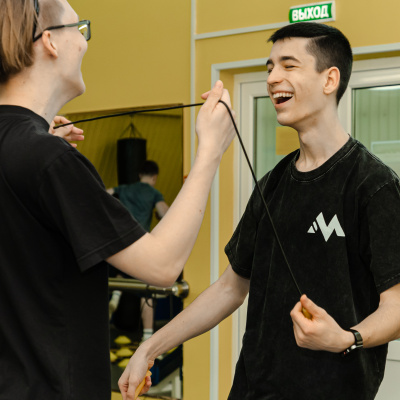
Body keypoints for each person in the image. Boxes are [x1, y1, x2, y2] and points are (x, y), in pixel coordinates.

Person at [121, 22, 400, 400]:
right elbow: (229, 288)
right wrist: (149, 348)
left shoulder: (373, 184)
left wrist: (346, 338)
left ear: (330, 79)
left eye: (288, 65)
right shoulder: (271, 184)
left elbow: (397, 310)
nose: (272, 78)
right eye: (269, 68)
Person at [0, 0, 235, 399]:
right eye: (80, 29)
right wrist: (210, 150)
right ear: (50, 42)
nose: (84, 43)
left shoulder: (34, 155)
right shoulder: (49, 160)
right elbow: (162, 266)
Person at [107, 160, 170, 340]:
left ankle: (115, 298)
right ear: (155, 177)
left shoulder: (124, 189)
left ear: (140, 174)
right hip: (141, 245)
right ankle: (147, 336)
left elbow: (104, 194)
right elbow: (164, 213)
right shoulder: (154, 193)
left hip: (121, 244)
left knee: (122, 274)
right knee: (146, 288)